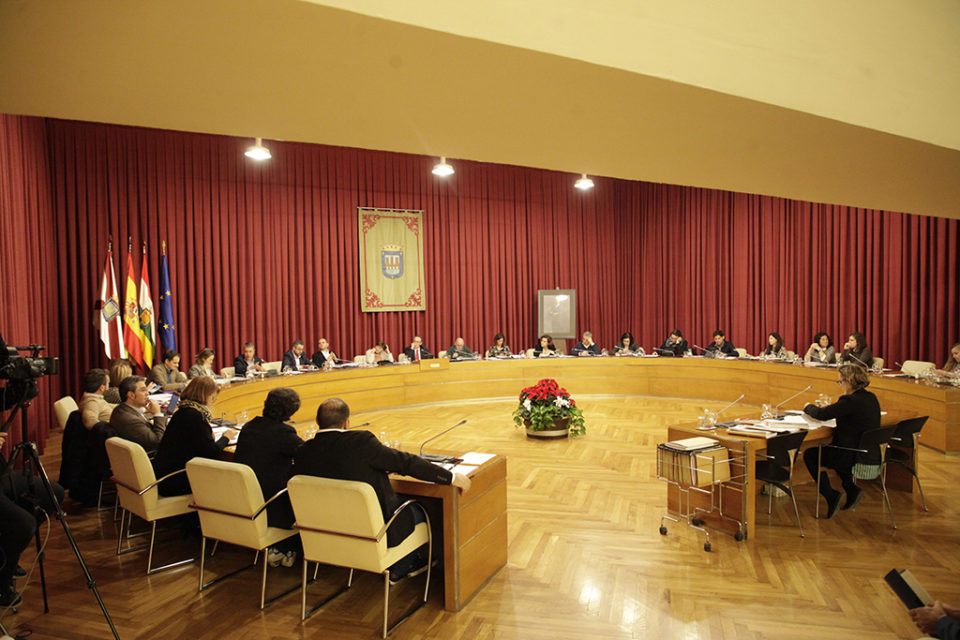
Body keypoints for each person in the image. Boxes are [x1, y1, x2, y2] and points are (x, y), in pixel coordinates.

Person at [292, 398, 470, 581]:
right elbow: (405, 463)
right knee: (422, 509)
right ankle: (401, 567)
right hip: (374, 533)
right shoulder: (361, 442)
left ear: (317, 421)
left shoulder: (303, 451)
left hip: (326, 530)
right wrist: (451, 477)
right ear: (347, 423)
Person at [233, 387, 304, 566]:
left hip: (243, 499)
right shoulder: (283, 434)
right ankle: (286, 549)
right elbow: (308, 454)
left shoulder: (249, 427)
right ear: (290, 411)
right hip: (270, 504)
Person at [801, 364, 881, 518]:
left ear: (849, 381)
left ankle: (831, 495)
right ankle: (851, 488)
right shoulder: (870, 397)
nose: (840, 385)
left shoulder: (850, 401)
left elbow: (821, 414)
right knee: (834, 452)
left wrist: (807, 407)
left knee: (811, 455)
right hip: (867, 452)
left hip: (851, 454)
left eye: (840, 382)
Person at [152, 376, 236, 496]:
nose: (213, 400)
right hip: (177, 480)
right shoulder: (195, 417)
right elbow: (211, 452)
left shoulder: (182, 411)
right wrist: (226, 437)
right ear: (205, 396)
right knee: (231, 479)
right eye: (212, 396)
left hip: (165, 475)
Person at [110, 375, 165, 453]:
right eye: (143, 390)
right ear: (131, 395)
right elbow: (158, 441)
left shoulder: (121, 409)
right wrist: (157, 414)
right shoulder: (130, 420)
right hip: (151, 459)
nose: (147, 393)